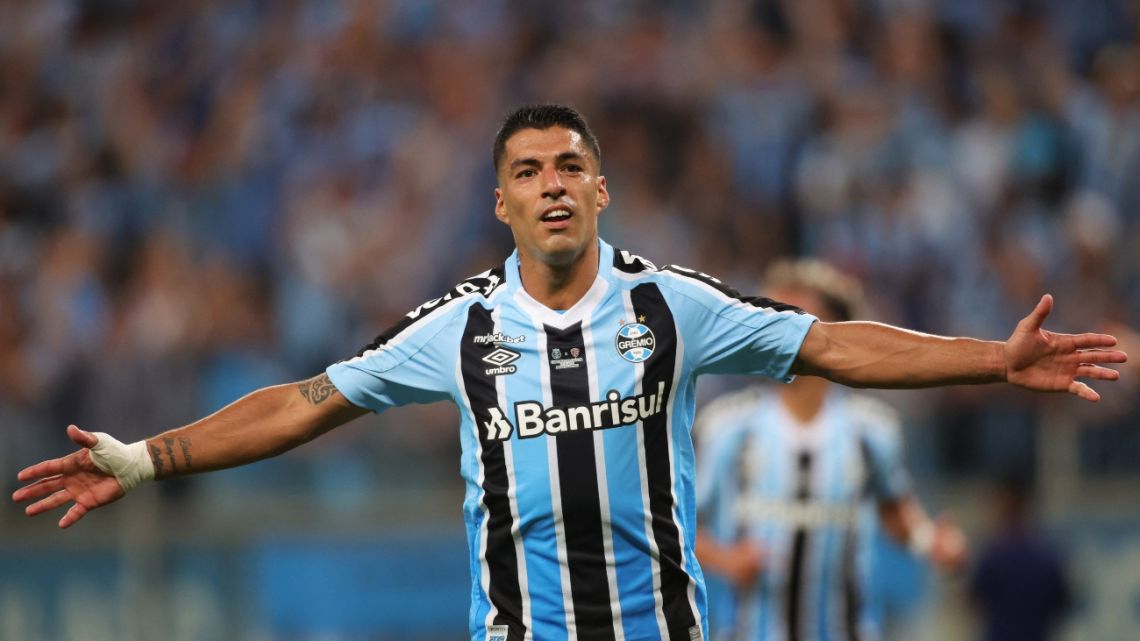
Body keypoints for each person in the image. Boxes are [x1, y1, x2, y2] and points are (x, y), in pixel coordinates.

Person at [11, 104, 1126, 641]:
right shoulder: (455, 327)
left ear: (601, 193)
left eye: (571, 166)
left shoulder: (672, 303)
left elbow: (831, 342)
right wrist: (149, 457)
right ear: (500, 201)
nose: (552, 183)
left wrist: (992, 356)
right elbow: (305, 402)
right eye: (529, 169)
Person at [693, 259, 966, 641]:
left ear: (838, 334)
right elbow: (680, 526)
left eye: (793, 319)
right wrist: (726, 560)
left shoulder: (871, 430)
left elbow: (893, 506)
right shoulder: (725, 428)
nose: (775, 331)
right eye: (767, 316)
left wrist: (928, 539)